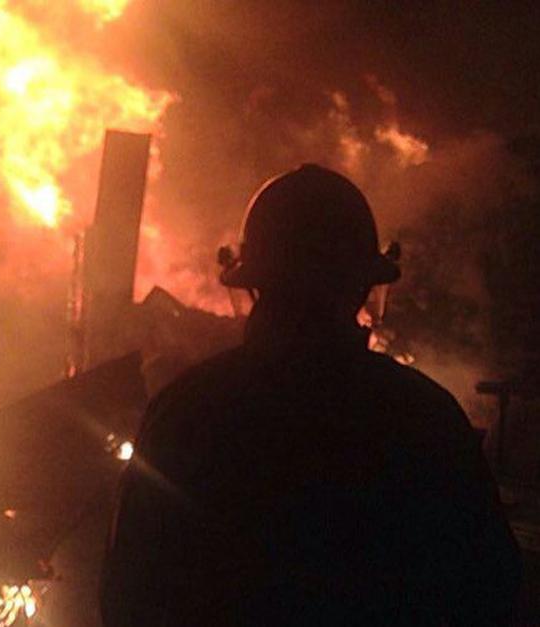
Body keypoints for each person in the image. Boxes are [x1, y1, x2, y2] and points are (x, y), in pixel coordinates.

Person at [100, 164, 521, 626]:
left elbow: (129, 595)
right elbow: (490, 592)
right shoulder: (425, 417)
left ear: (254, 287)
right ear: (362, 287)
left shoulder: (186, 411)